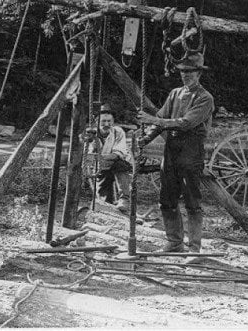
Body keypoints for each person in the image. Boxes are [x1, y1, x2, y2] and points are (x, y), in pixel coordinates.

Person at [136, 51, 214, 253]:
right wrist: (145, 139)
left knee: (192, 202)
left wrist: (155, 121)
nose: (185, 76)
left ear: (199, 73)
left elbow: (186, 123)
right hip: (171, 153)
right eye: (182, 72)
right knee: (167, 200)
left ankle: (194, 248)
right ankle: (174, 242)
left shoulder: (205, 98)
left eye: (190, 72)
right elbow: (160, 122)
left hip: (191, 154)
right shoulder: (175, 94)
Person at [91, 104, 133, 213]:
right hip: (101, 166)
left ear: (113, 121)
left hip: (117, 162)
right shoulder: (92, 134)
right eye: (103, 121)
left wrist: (103, 158)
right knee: (104, 198)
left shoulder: (118, 131)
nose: (106, 124)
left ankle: (124, 199)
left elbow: (117, 153)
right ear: (97, 122)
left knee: (119, 165)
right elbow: (90, 155)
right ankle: (106, 205)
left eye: (109, 121)